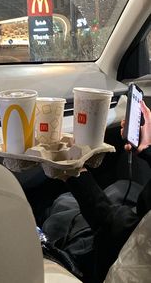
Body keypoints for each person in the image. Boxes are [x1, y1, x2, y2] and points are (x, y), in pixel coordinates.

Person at [37, 100, 151, 283]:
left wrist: (75, 175)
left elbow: (122, 234)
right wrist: (148, 149)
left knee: (59, 214)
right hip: (135, 223)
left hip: (124, 259)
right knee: (120, 188)